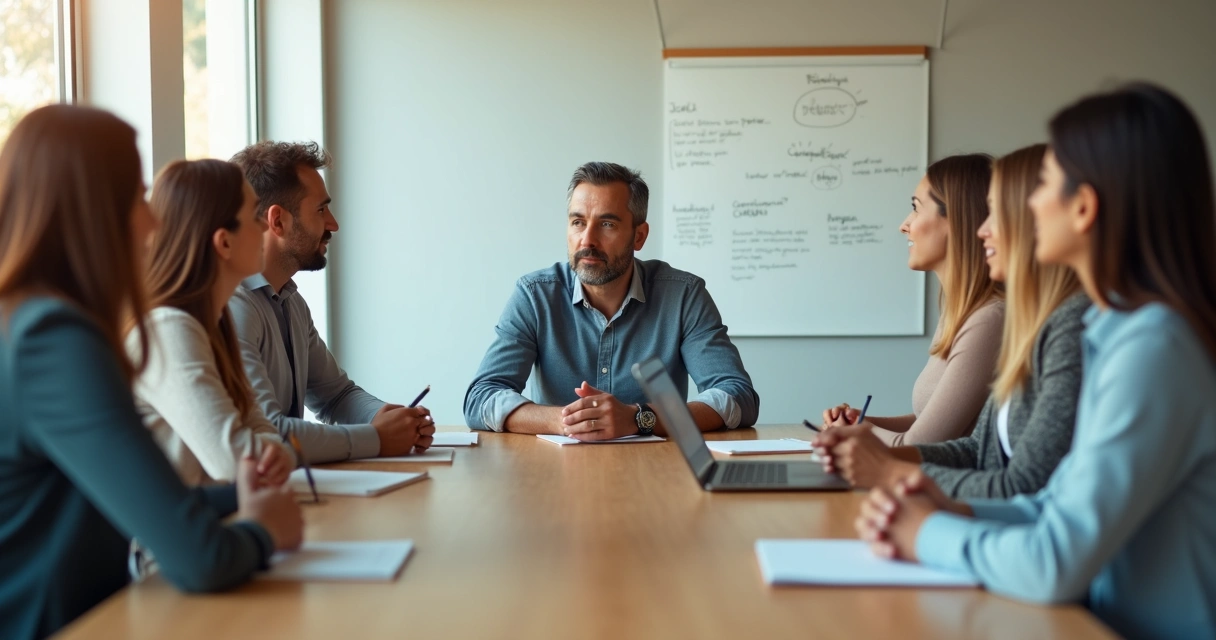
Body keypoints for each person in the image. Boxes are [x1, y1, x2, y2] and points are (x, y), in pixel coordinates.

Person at [855, 83, 1216, 639]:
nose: (1024, 208)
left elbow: (1054, 563)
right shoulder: (1113, 332)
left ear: (1084, 206)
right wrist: (952, 511)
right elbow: (1053, 504)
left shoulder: (1154, 349)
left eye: (1043, 182)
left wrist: (925, 532)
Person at [0, 105, 302, 640]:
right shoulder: (52, 340)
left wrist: (244, 495)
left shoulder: (28, 326)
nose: (153, 220)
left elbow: (132, 500)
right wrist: (264, 531)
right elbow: (203, 560)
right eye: (138, 196)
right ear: (94, 209)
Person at [815, 144, 1088, 497]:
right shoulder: (1021, 322)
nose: (983, 230)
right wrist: (866, 433)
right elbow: (976, 447)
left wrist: (885, 466)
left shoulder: (1014, 322)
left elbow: (1022, 486)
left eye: (996, 213)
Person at [464, 161, 758, 439]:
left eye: (607, 224)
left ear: (639, 236)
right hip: (554, 472)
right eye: (578, 222)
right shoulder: (535, 294)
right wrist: (567, 421)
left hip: (658, 473)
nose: (587, 240)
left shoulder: (683, 295)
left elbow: (738, 396)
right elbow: (481, 398)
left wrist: (638, 419)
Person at [229, 141, 434, 463]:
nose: (333, 224)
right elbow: (269, 432)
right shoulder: (234, 309)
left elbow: (335, 396)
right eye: (321, 209)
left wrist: (389, 418)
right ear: (278, 221)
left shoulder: (291, 302)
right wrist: (377, 438)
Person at [129, 159, 295, 486]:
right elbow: (236, 462)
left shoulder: (216, 323)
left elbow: (265, 434)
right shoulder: (169, 330)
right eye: (253, 216)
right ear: (224, 242)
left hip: (220, 522)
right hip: (184, 534)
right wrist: (272, 452)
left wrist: (273, 452)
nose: (264, 227)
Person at [822, 154, 1003, 446]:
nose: (904, 225)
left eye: (916, 210)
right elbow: (930, 424)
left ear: (956, 220)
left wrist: (857, 432)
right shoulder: (960, 313)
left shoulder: (989, 320)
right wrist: (861, 421)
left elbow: (918, 447)